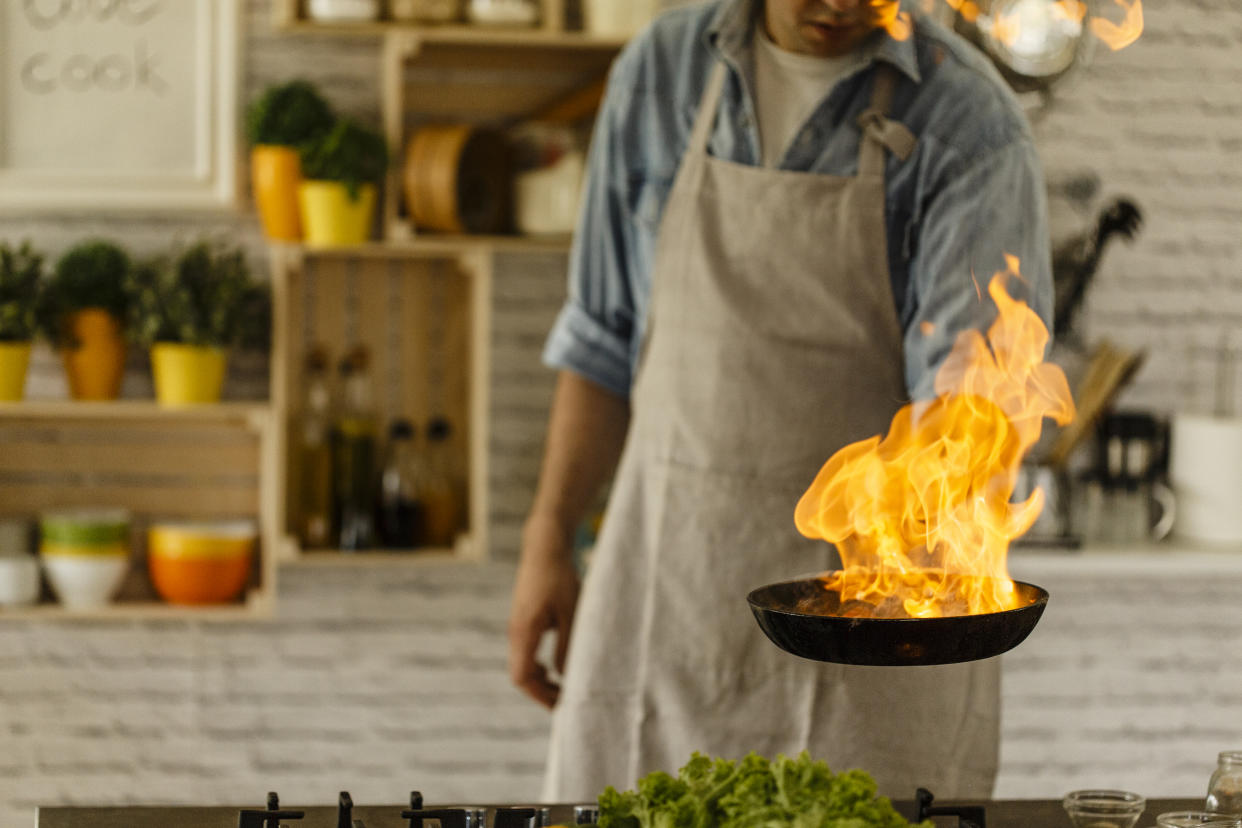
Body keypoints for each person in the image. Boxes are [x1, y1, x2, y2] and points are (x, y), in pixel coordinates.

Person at [508, 0, 1053, 803]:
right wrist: (548, 535)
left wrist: (919, 531)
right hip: (666, 599)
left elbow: (968, 405)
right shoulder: (661, 73)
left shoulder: (969, 123)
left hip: (871, 643)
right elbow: (600, 341)